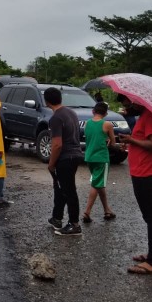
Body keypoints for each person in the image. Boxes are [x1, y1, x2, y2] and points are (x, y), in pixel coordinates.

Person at [116, 94, 152, 274]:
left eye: (127, 103)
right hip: (146, 171)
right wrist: (133, 145)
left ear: (136, 101)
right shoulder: (147, 116)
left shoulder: (151, 117)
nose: (127, 107)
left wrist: (132, 140)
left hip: (148, 173)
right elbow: (148, 142)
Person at [45, 87, 84, 236]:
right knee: (60, 187)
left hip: (65, 157)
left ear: (47, 101)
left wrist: (51, 163)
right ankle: (57, 218)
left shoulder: (55, 118)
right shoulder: (71, 112)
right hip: (75, 154)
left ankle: (74, 224)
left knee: (68, 191)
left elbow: (57, 144)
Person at [82, 102, 117, 223]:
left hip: (89, 157)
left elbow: (91, 138)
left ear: (93, 111)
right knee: (96, 184)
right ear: (106, 113)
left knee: (99, 183)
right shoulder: (107, 124)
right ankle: (87, 212)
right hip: (101, 158)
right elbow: (113, 143)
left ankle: (107, 210)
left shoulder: (87, 123)